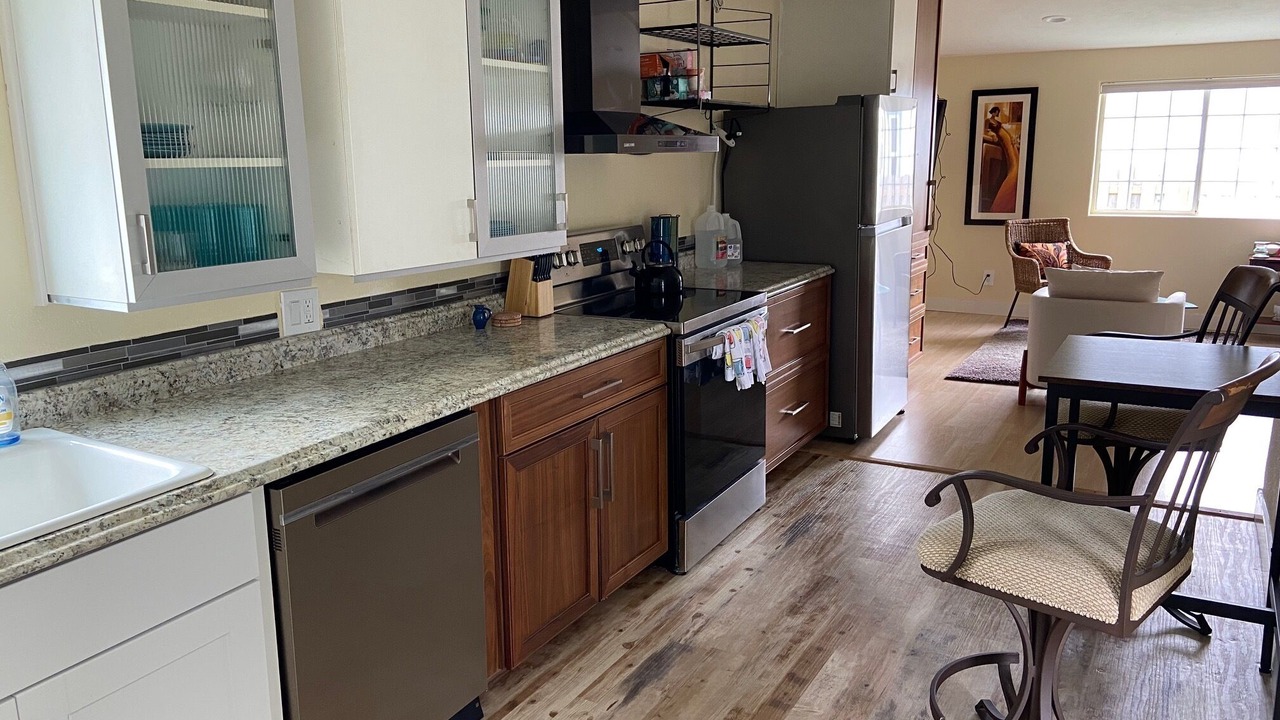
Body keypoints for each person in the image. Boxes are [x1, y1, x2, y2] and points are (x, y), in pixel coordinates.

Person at [981, 105, 1019, 213]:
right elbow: (986, 130)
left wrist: (1012, 138)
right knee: (1014, 167)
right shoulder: (988, 120)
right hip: (1003, 141)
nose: (998, 113)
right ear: (994, 112)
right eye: (997, 112)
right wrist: (993, 134)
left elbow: (1005, 131)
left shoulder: (998, 122)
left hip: (1009, 141)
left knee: (1016, 161)